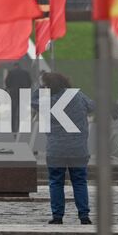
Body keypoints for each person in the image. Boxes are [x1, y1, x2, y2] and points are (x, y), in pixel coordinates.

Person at [36, 71, 93, 225]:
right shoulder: (78, 95)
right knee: (80, 181)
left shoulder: (46, 100)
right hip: (78, 147)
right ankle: (84, 215)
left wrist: (40, 88)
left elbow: (32, 101)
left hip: (56, 148)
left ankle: (57, 215)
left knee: (56, 182)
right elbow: (92, 106)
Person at [4, 61, 33, 132]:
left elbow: (7, 83)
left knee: (13, 112)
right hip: (23, 94)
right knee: (22, 112)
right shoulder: (25, 73)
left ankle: (13, 128)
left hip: (13, 94)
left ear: (14, 66)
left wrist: (10, 88)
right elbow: (30, 83)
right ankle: (21, 127)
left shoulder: (11, 72)